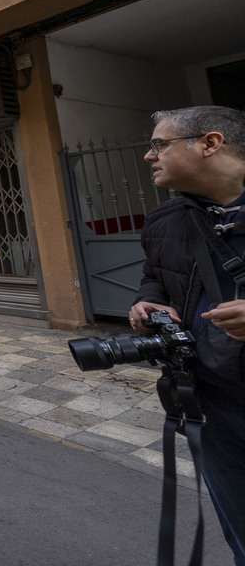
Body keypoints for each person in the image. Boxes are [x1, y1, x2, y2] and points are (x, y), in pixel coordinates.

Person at [131, 106, 245, 565]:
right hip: (213, 400)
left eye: (159, 145)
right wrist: (146, 302)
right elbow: (154, 276)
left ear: (209, 144)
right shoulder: (164, 221)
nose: (148, 156)